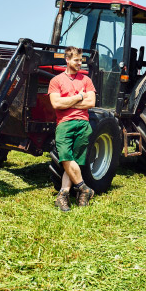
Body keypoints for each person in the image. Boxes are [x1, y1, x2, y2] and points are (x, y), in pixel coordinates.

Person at [48, 46, 97, 212]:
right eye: (76, 60)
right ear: (67, 60)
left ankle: (63, 195)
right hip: (64, 123)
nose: (80, 64)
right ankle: (84, 189)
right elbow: (56, 104)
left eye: (81, 60)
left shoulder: (86, 80)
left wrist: (67, 102)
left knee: (75, 160)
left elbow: (91, 103)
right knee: (65, 157)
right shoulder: (56, 81)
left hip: (83, 123)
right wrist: (79, 96)